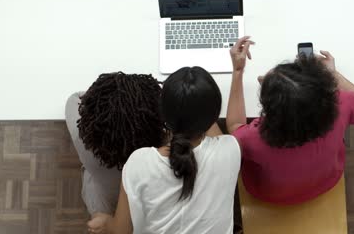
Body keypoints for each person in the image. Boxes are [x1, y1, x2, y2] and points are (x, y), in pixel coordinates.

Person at [226, 36, 354, 204]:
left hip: (269, 194)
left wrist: (238, 72)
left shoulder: (252, 138)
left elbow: (234, 126)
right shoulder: (341, 104)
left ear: (270, 109)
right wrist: (333, 75)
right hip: (325, 181)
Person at [87, 66, 241, 234]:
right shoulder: (230, 150)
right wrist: (198, 98)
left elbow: (121, 231)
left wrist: (107, 223)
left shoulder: (138, 163)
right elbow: (214, 130)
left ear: (162, 115)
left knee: (90, 181)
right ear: (214, 115)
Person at [65, 72, 165, 216]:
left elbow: (75, 98)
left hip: (105, 203)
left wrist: (103, 99)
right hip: (149, 206)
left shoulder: (82, 139)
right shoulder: (162, 150)